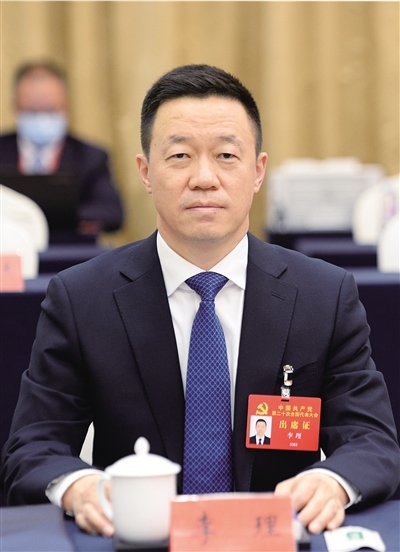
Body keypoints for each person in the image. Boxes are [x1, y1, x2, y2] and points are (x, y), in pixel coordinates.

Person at [1, 64, 399, 538]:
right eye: (180, 156)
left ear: (258, 171)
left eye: (226, 155)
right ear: (146, 173)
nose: (204, 178)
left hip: (276, 539)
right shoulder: (82, 298)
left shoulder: (323, 295)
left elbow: (371, 440)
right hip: (136, 541)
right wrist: (79, 487)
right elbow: (32, 448)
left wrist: (332, 481)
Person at [0, 61, 124, 237]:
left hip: (69, 246)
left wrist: (62, 215)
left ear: (66, 105)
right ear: (15, 106)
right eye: (32, 111)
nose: (41, 119)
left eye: (50, 110)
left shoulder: (91, 156)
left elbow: (113, 213)